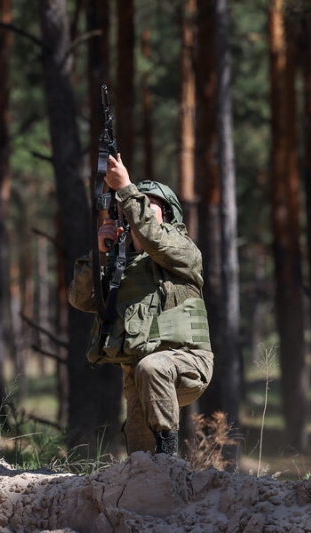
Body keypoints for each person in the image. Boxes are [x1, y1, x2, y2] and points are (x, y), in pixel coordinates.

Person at [68, 154, 214, 456]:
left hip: (186, 363)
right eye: (133, 206)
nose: (137, 210)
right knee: (139, 455)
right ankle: (155, 481)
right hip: (137, 374)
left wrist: (126, 187)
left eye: (150, 205)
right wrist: (100, 254)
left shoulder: (182, 252)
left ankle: (169, 460)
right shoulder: (121, 267)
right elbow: (80, 299)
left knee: (153, 367)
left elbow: (154, 238)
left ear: (169, 214)